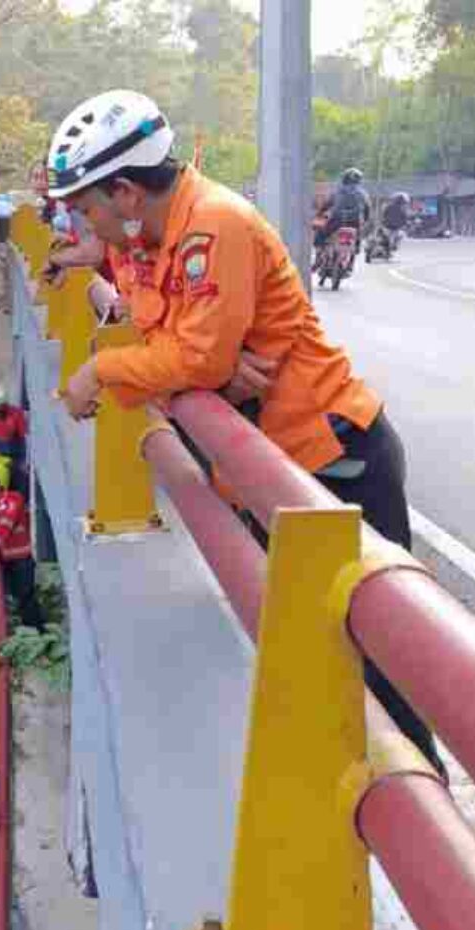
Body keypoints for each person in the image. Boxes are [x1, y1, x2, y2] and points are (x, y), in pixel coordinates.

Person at [47, 88, 446, 779]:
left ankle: (430, 839)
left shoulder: (213, 227)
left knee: (387, 672)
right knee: (312, 653)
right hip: (268, 470)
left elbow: (190, 356)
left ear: (126, 194)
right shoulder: (152, 238)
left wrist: (107, 369)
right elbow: (175, 342)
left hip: (334, 458)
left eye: (86, 209)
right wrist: (198, 371)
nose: (87, 227)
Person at [0, 474, 45, 631]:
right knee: (18, 599)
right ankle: (32, 632)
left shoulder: (11, 500)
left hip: (21, 559)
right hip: (9, 560)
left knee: (26, 599)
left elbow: (5, 526)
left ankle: (38, 632)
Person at [315, 167, 371, 251]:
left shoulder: (337, 191)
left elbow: (328, 204)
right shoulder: (363, 193)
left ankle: (319, 249)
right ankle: (356, 247)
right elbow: (367, 207)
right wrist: (366, 219)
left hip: (337, 220)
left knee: (322, 233)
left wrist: (320, 213)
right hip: (354, 221)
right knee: (357, 233)